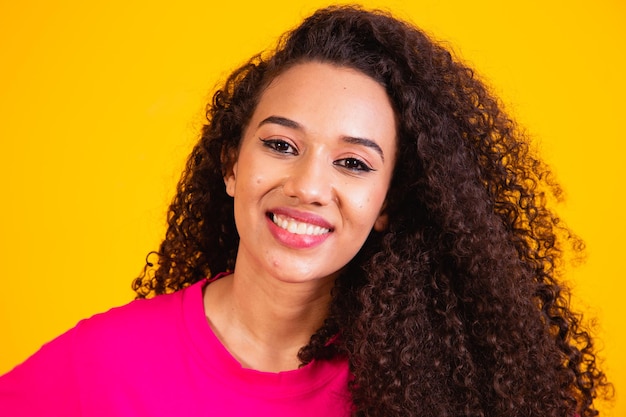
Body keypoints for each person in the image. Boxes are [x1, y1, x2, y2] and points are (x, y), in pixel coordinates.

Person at [0, 4, 610, 417]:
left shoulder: (443, 389)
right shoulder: (103, 365)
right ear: (232, 167)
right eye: (281, 145)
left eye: (353, 163)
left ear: (387, 206)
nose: (308, 185)